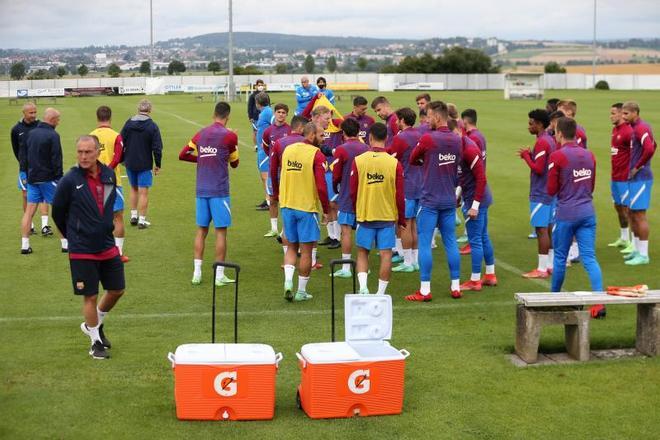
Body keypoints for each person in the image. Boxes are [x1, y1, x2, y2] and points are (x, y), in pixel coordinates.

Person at [52, 135, 126, 360]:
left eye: (88, 152)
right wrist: (73, 236)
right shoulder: (69, 180)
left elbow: (109, 207)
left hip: (106, 244)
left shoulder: (108, 175)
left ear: (97, 152)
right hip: (82, 248)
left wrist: (107, 229)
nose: (83, 156)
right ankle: (95, 342)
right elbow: (58, 213)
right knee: (90, 296)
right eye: (80, 152)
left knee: (117, 290)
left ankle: (94, 323)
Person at [405, 101, 463, 301]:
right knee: (451, 242)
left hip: (429, 200)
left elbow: (413, 159)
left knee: (424, 243)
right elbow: (457, 164)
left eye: (428, 116)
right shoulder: (457, 139)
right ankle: (456, 286)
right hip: (448, 198)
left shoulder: (428, 138)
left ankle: (425, 290)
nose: (426, 120)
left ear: (437, 117)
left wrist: (428, 162)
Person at [547, 118, 603, 318]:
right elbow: (592, 185)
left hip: (566, 214)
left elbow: (551, 189)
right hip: (587, 211)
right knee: (589, 258)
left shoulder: (557, 156)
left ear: (560, 133)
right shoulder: (590, 155)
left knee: (560, 258)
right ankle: (599, 303)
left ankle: (553, 299)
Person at [179, 102, 240, 286]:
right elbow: (235, 164)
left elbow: (183, 154)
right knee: (220, 232)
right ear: (227, 116)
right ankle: (219, 275)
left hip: (201, 190)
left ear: (213, 114)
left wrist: (202, 158)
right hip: (219, 191)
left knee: (201, 230)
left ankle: (196, 273)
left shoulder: (201, 133)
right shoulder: (230, 136)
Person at [273, 122, 329, 302]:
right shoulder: (316, 154)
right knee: (306, 251)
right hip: (306, 207)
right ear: (311, 134)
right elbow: (321, 185)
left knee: (291, 247)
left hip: (287, 205)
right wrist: (326, 209)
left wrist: (277, 194)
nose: (323, 139)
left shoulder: (288, 149)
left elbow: (278, 172)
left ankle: (288, 282)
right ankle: (301, 291)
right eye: (321, 136)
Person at [350, 122, 406, 295]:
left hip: (365, 215)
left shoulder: (359, 161)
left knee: (362, 252)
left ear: (370, 138)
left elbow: (352, 191)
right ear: (386, 138)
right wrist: (402, 219)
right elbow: (399, 195)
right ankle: (380, 294)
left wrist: (356, 211)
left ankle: (363, 288)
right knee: (386, 254)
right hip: (387, 216)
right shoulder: (394, 163)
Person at [449, 119, 496, 291]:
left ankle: (475, 280)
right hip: (474, 196)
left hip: (477, 198)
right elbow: (464, 176)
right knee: (483, 236)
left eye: (454, 134)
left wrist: (474, 205)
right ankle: (490, 274)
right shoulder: (459, 147)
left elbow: (481, 178)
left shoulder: (469, 149)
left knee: (475, 239)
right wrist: (458, 194)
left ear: (460, 130)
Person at [20, 108, 65, 254]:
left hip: (33, 179)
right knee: (59, 211)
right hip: (49, 179)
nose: (59, 122)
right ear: (52, 120)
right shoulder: (53, 135)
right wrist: (59, 178)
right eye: (58, 120)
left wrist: (26, 174)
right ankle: (65, 244)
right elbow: (56, 159)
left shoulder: (30, 134)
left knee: (28, 212)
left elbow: (24, 156)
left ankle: (25, 245)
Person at [518, 109, 557, 278]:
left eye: (531, 123)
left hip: (540, 192)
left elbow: (539, 169)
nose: (529, 126)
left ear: (540, 124)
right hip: (550, 191)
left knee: (541, 230)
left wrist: (526, 156)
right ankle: (550, 265)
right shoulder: (551, 140)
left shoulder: (542, 142)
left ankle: (541, 269)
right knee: (548, 229)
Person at [90, 106, 130, 263]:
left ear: (97, 117)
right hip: (112, 182)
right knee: (117, 217)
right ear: (110, 118)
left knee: (96, 216)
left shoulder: (91, 135)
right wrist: (107, 170)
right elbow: (119, 157)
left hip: (93, 181)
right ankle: (118, 253)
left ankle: (97, 251)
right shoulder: (116, 136)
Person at [331, 118, 368, 278]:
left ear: (344, 133)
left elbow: (336, 174)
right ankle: (364, 266)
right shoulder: (367, 148)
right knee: (363, 230)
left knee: (345, 232)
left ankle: (346, 268)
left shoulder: (341, 149)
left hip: (346, 195)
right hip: (365, 196)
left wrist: (335, 188)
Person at [387, 108, 422, 273]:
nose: (395, 122)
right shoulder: (421, 135)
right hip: (421, 185)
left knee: (405, 224)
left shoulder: (401, 138)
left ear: (401, 120)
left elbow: (390, 158)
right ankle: (415, 260)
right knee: (414, 224)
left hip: (407, 185)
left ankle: (408, 262)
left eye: (397, 119)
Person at [621, 101, 656, 266]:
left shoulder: (641, 128)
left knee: (639, 215)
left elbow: (649, 148)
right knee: (632, 213)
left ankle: (643, 255)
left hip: (641, 179)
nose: (623, 116)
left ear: (635, 112)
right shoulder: (637, 128)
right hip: (635, 179)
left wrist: (638, 166)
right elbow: (654, 145)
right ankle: (636, 250)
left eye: (626, 113)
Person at [120, 99, 163, 229]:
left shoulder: (128, 123)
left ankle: (133, 215)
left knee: (133, 188)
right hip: (145, 163)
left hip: (130, 162)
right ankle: (142, 220)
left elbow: (121, 142)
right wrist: (158, 164)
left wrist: (122, 158)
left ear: (138, 109)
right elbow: (157, 147)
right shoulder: (152, 126)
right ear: (150, 110)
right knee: (143, 192)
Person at [269, 115, 307, 258]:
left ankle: (288, 255)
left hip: (285, 185)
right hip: (303, 186)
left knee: (288, 219)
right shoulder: (307, 142)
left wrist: (275, 190)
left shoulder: (279, 143)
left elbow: (273, 169)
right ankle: (304, 253)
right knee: (303, 218)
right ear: (301, 127)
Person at [11, 102, 48, 235]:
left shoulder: (40, 126)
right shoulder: (16, 129)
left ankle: (45, 226)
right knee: (26, 196)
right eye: (30, 113)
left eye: (35, 112)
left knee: (44, 194)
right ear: (24, 113)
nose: (33, 115)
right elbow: (16, 149)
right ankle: (30, 224)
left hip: (41, 167)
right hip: (25, 169)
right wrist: (23, 162)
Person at [459, 108, 488, 254]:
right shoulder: (480, 136)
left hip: (473, 187)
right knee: (483, 235)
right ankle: (489, 271)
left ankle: (476, 275)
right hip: (476, 185)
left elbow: (478, 173)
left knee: (478, 236)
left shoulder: (472, 140)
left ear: (464, 121)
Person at [606, 103, 634, 250]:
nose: (611, 116)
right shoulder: (615, 129)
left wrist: (633, 171)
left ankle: (634, 244)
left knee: (628, 210)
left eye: (613, 113)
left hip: (625, 178)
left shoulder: (628, 131)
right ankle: (624, 238)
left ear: (621, 114)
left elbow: (637, 152)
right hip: (615, 177)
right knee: (618, 207)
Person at [261, 103, 291, 236]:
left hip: (287, 170)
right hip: (273, 169)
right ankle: (273, 229)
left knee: (285, 200)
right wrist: (274, 160)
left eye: (283, 112)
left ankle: (285, 230)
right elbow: (266, 147)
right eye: (279, 112)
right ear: (274, 113)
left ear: (287, 115)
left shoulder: (290, 130)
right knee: (273, 199)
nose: (281, 115)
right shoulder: (268, 131)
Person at [254, 92, 273, 211]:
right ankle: (267, 198)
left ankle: (270, 201)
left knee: (266, 175)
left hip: (266, 150)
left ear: (257, 103)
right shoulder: (264, 112)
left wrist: (270, 141)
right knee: (263, 175)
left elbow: (277, 125)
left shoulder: (268, 112)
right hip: (261, 149)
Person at [247, 79, 266, 151]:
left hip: (264, 116)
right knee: (255, 131)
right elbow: (249, 106)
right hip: (255, 116)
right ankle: (256, 146)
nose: (260, 86)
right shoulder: (252, 96)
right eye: (259, 85)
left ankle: (263, 144)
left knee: (264, 131)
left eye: (261, 85)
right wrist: (250, 116)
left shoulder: (265, 95)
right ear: (256, 86)